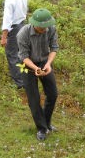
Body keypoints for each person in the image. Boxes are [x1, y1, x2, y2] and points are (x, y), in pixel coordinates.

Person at [17, 8, 59, 141]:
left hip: (44, 62)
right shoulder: (23, 34)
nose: (45, 30)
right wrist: (35, 68)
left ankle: (47, 123)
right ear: (35, 24)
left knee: (53, 94)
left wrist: (48, 65)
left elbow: (54, 48)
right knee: (34, 99)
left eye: (47, 27)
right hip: (28, 65)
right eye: (42, 28)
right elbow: (23, 56)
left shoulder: (50, 29)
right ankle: (41, 128)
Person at [1, 0, 28, 89]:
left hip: (14, 28)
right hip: (23, 25)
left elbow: (7, 19)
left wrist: (4, 37)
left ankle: (20, 83)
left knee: (12, 55)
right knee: (21, 53)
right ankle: (25, 77)